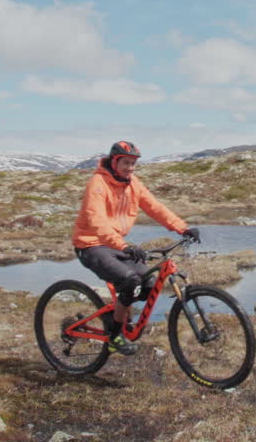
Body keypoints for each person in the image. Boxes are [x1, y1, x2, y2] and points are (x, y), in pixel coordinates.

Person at [71, 140, 199, 355]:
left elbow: (155, 207)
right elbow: (97, 222)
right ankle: (115, 336)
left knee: (148, 282)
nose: (130, 168)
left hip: (115, 243)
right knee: (130, 280)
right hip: (91, 244)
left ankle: (120, 317)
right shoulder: (98, 184)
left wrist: (182, 228)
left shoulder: (133, 183)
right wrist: (123, 245)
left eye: (133, 164)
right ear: (114, 161)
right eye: (125, 163)